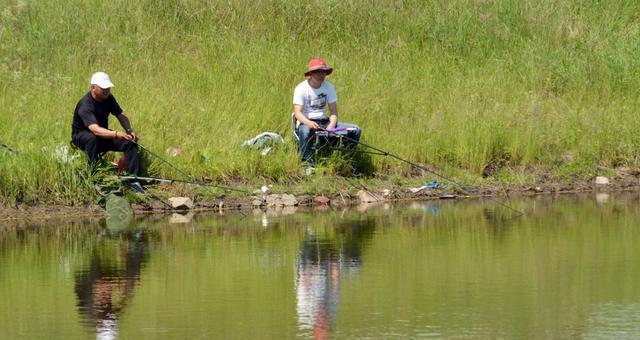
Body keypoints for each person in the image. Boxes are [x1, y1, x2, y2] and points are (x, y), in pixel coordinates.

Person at [71, 72, 143, 191]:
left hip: (103, 135)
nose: (106, 90)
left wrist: (129, 131)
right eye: (103, 88)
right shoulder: (85, 105)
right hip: (82, 137)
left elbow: (120, 114)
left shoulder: (108, 98)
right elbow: (95, 129)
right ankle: (93, 177)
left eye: (108, 88)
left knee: (130, 142)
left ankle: (133, 180)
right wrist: (116, 134)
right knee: (91, 138)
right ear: (93, 87)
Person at [292, 58, 361, 168]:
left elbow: (333, 112)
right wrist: (309, 123)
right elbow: (297, 113)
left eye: (323, 71)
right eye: (318, 72)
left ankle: (347, 160)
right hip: (306, 121)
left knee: (355, 130)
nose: (321, 75)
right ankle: (307, 164)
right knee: (305, 132)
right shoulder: (301, 88)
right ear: (311, 73)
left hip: (324, 121)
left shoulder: (329, 87)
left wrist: (331, 125)